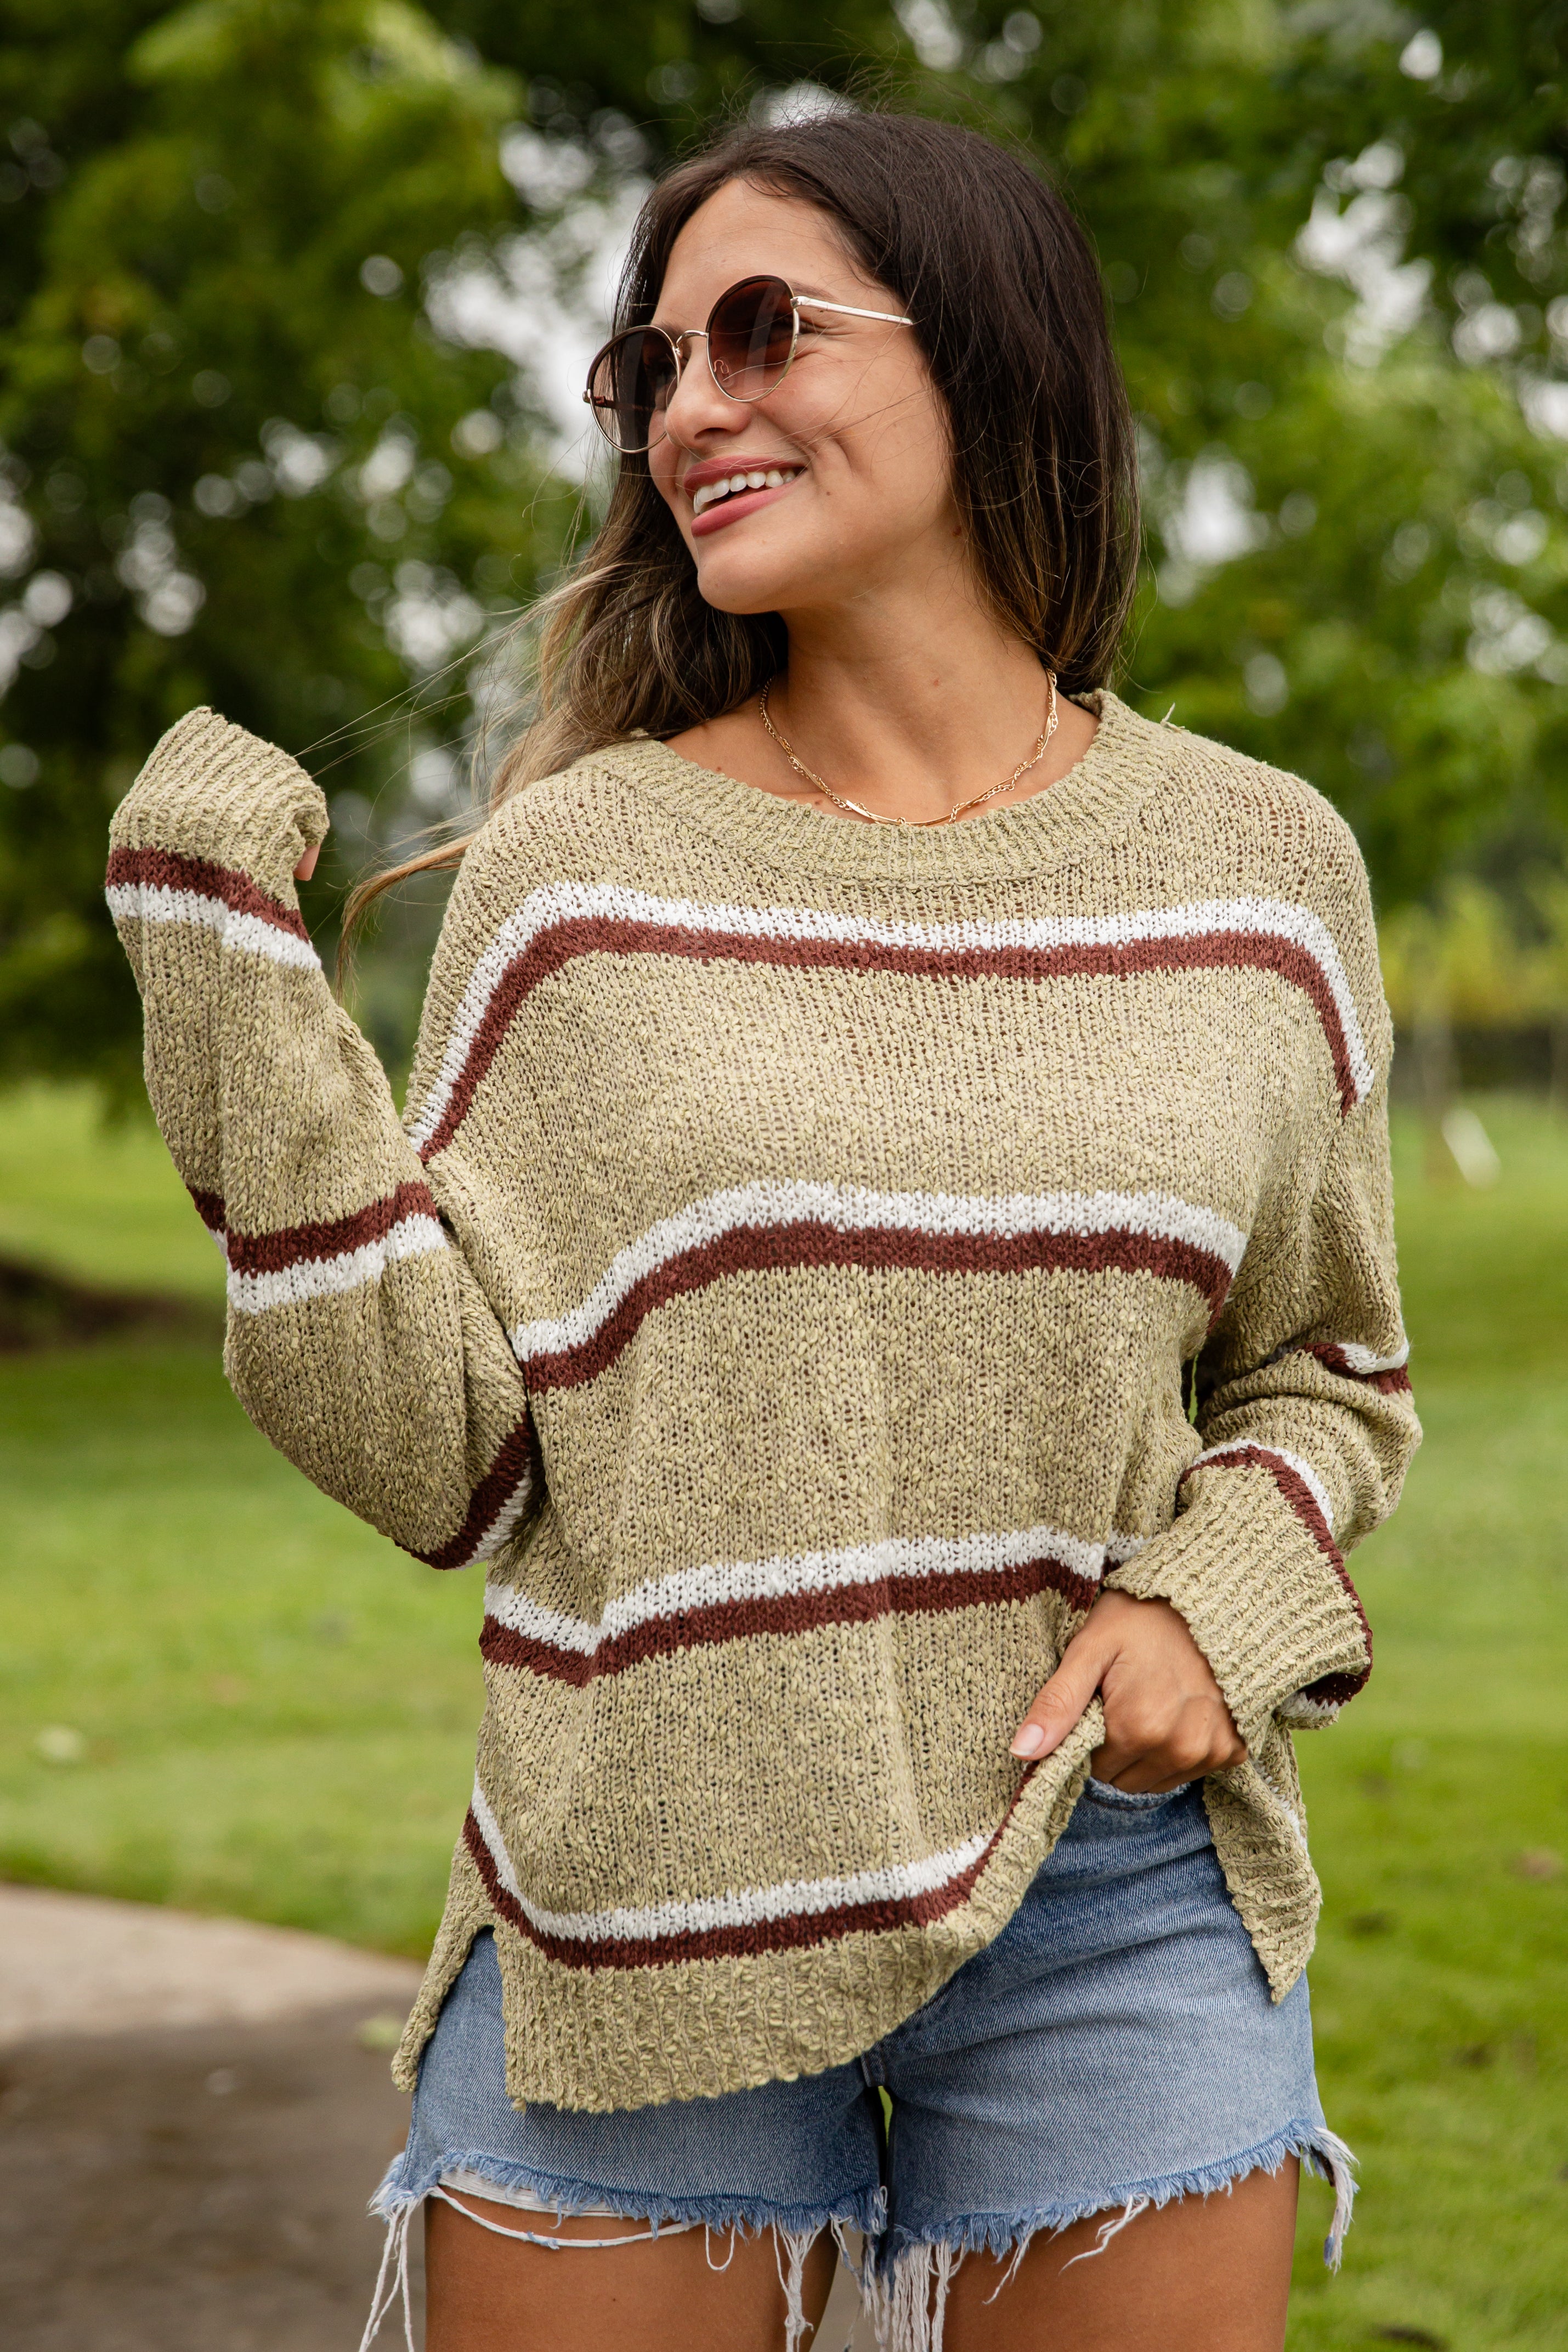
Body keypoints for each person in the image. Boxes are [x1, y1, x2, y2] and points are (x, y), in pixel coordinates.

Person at [106, 106, 1419, 2352]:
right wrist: (226, 1000)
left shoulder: (1257, 868)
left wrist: (1219, 1598)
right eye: (651, 368)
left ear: (994, 354)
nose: (689, 402)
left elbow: (1329, 1366)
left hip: (1107, 1893)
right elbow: (460, 1463)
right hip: (646, 1895)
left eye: (759, 329)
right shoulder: (576, 874)